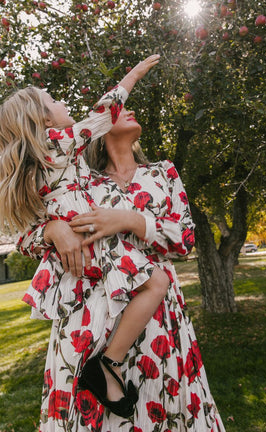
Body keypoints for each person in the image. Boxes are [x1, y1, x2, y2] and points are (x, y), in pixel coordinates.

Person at [17, 108, 226, 431]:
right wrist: (52, 230)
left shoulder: (162, 173)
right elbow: (24, 234)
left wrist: (131, 220)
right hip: (90, 314)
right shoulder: (81, 178)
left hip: (158, 314)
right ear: (98, 127)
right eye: (116, 108)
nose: (127, 109)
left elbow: (185, 240)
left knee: (160, 407)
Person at [0, 55, 171, 417]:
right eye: (54, 102)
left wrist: (50, 226)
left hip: (85, 248)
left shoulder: (42, 163)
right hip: (96, 239)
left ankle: (106, 365)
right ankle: (108, 363)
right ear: (45, 121)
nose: (64, 105)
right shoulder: (58, 144)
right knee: (157, 283)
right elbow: (102, 114)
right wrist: (134, 73)